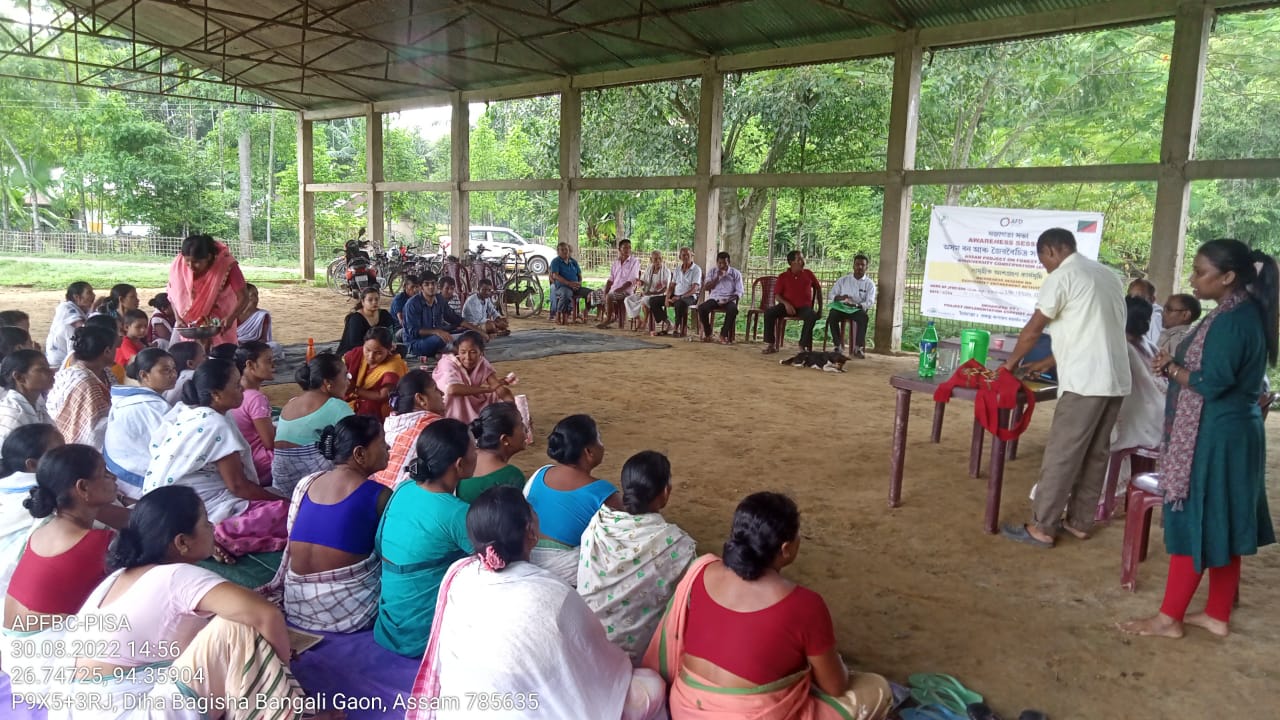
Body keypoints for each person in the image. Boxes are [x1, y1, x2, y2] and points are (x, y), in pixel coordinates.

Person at [51, 485, 337, 720]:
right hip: (127, 710)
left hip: (76, 707)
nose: (213, 526)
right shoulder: (177, 576)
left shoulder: (118, 579)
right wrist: (277, 668)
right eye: (204, 521)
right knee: (237, 627)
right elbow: (266, 616)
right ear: (182, 542)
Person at [1119, 239, 1278, 639]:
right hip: (1231, 430)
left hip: (1214, 434)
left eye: (1201, 271)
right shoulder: (1239, 312)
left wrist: (1172, 368)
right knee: (1224, 522)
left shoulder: (1231, 319)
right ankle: (1216, 615)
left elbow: (1214, 382)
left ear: (1227, 277)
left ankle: (1168, 618)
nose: (1193, 278)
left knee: (1197, 517)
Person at [404, 486, 668, 720]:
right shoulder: (554, 594)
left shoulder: (459, 575)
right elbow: (598, 662)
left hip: (461, 709)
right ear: (530, 531)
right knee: (651, 687)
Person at [645, 492, 891, 720]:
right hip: (750, 714)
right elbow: (835, 686)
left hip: (686, 707)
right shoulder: (805, 605)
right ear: (786, 549)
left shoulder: (702, 570)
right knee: (876, 688)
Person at [1000, 228, 1130, 549]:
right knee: (1096, 452)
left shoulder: (1062, 276)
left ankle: (1043, 526)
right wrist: (1047, 363)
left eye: (1042, 259)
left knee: (1062, 452)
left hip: (1085, 382)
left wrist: (1009, 365)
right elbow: (1092, 329)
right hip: (1115, 379)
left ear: (1051, 251)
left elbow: (1033, 329)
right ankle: (1080, 522)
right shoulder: (1108, 276)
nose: (1044, 266)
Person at [2, 445, 125, 699]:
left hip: (16, 657)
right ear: (82, 488)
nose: (113, 479)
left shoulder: (48, 524)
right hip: (46, 672)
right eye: (104, 473)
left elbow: (131, 518)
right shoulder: (100, 544)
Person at [143, 359, 287, 559]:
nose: (242, 390)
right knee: (288, 514)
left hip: (167, 506)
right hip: (198, 508)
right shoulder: (215, 424)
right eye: (237, 385)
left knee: (273, 494)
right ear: (216, 394)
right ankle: (220, 534)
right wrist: (288, 502)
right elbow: (238, 487)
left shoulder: (188, 412)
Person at [264, 415, 390, 633]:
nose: (388, 446)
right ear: (359, 454)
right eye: (382, 442)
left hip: (297, 604)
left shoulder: (307, 483)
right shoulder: (379, 495)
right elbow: (392, 553)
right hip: (349, 611)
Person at [578, 450, 696, 662]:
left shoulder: (599, 523)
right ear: (666, 492)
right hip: (634, 658)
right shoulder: (680, 546)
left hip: (584, 641)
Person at [374, 418, 476, 657]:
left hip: (389, 628)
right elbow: (494, 563)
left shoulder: (403, 489)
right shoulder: (457, 513)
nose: (477, 453)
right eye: (475, 449)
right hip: (423, 637)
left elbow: (380, 546)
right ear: (459, 465)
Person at [524, 414, 620, 586]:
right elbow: (621, 538)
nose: (602, 445)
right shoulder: (604, 492)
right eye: (599, 439)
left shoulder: (541, 473)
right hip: (567, 575)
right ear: (589, 452)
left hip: (526, 558)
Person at [272, 353, 353, 496]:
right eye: (345, 376)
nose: (348, 382)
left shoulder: (291, 402)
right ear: (328, 383)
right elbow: (359, 441)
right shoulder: (336, 406)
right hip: (310, 484)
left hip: (281, 481)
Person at [104, 349, 177, 499]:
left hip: (120, 475)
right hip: (135, 483)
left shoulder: (134, 399)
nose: (173, 374)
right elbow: (173, 447)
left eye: (174, 369)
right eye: (165, 370)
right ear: (144, 375)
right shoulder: (150, 406)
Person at [0, 424, 63, 592]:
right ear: (32, 465)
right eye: (59, 452)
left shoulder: (5, 487)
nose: (68, 455)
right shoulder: (50, 497)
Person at [166, 232, 250, 346]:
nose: (191, 266)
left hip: (220, 321)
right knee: (193, 356)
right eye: (187, 261)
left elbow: (244, 297)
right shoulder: (179, 266)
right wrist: (179, 319)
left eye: (196, 262)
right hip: (189, 323)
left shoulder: (225, 264)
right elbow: (174, 296)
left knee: (220, 358)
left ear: (209, 257)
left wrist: (230, 318)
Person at [373, 370, 446, 487]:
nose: (442, 393)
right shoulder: (434, 426)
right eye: (435, 389)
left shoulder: (392, 423)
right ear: (421, 399)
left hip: (381, 492)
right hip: (405, 496)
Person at [47, 326, 115, 449]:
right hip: (78, 448)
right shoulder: (86, 383)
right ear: (107, 351)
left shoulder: (105, 372)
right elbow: (92, 432)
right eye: (116, 348)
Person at [432, 330, 516, 424]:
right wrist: (487, 389)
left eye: (473, 352)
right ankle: (458, 424)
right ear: (458, 350)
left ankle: (512, 419)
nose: (467, 357)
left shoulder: (482, 362)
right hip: (450, 406)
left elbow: (497, 387)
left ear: (481, 353)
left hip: (473, 401)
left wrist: (514, 412)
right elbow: (452, 389)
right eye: (463, 352)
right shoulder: (447, 363)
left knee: (501, 394)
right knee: (456, 396)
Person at [457, 401, 527, 503]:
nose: (525, 429)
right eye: (521, 425)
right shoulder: (511, 476)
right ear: (505, 440)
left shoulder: (462, 462)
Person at [229, 341, 277, 486]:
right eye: (268, 361)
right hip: (260, 464)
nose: (273, 365)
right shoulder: (256, 398)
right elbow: (270, 443)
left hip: (244, 461)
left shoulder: (232, 392)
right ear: (250, 365)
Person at [403, 272, 482, 359]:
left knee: (470, 333)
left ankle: (444, 353)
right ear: (421, 287)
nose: (431, 287)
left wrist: (479, 331)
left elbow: (455, 319)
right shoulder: (412, 304)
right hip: (416, 344)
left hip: (438, 337)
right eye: (426, 284)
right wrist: (436, 331)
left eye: (433, 283)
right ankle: (452, 351)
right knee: (439, 339)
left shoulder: (440, 299)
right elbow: (413, 331)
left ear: (437, 285)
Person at [763, 250, 822, 354]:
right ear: (791, 262)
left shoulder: (808, 274)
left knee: (811, 316)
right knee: (769, 313)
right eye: (799, 259)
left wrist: (820, 309)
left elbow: (818, 289)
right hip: (786, 306)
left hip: (804, 307)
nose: (803, 261)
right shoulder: (783, 276)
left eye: (802, 259)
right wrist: (786, 304)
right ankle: (771, 344)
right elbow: (777, 295)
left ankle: (802, 346)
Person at [344, 326, 409, 418]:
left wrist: (355, 389)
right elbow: (340, 365)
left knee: (368, 408)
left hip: (379, 404)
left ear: (389, 349)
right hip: (353, 397)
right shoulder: (357, 353)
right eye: (367, 350)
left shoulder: (393, 366)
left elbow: (382, 396)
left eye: (378, 353)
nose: (370, 356)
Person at [0, 349, 54, 449]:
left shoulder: (37, 404)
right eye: (42, 369)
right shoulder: (13, 417)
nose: (52, 372)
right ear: (20, 377)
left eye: (48, 368)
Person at [826, 253, 877, 358]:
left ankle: (858, 347)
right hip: (842, 308)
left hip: (856, 310)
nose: (859, 267)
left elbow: (870, 301)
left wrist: (857, 305)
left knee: (864, 317)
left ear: (866, 267)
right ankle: (837, 345)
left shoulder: (869, 284)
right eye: (857, 264)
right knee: (832, 315)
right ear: (853, 266)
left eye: (862, 265)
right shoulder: (844, 280)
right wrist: (840, 297)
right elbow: (831, 294)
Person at [651, 246, 702, 338]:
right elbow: (672, 285)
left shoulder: (696, 269)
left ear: (692, 255)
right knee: (653, 301)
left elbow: (694, 289)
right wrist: (667, 297)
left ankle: (677, 329)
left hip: (690, 297)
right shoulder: (678, 269)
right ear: (680, 257)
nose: (686, 257)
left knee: (680, 303)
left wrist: (680, 297)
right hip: (675, 295)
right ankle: (668, 323)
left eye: (688, 255)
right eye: (683, 255)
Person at [697, 251, 744, 343]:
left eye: (724, 264)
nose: (722, 266)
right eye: (720, 263)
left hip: (729, 299)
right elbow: (706, 287)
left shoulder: (736, 273)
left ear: (729, 263)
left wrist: (727, 300)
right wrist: (717, 278)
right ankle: (708, 333)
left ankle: (723, 334)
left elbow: (739, 292)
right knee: (702, 308)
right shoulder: (713, 272)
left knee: (733, 310)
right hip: (714, 299)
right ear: (717, 262)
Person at [45, 281, 94, 368]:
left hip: (65, 359)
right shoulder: (65, 307)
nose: (93, 295)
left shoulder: (81, 311)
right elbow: (84, 328)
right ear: (77, 297)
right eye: (89, 293)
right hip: (58, 364)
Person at [597, 238, 641, 329]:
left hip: (626, 291)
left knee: (610, 296)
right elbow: (610, 279)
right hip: (614, 289)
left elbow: (631, 280)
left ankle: (608, 319)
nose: (627, 250)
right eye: (625, 248)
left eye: (629, 248)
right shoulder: (616, 263)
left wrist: (616, 290)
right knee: (595, 294)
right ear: (619, 249)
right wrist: (606, 291)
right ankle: (611, 314)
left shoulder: (634, 261)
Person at [338, 286, 395, 356]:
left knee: (401, 349)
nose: (374, 302)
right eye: (370, 300)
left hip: (379, 349)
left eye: (376, 299)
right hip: (357, 350)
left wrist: (391, 343)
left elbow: (390, 333)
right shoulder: (356, 319)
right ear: (363, 302)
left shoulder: (384, 314)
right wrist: (375, 348)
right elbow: (355, 344)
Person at [626, 250, 672, 326]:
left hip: (659, 295)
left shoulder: (666, 271)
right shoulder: (649, 269)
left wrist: (650, 293)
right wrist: (640, 282)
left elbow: (665, 289)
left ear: (662, 259)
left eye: (660, 258)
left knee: (645, 300)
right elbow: (643, 281)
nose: (658, 261)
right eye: (655, 259)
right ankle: (639, 319)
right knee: (627, 299)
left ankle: (645, 321)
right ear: (651, 260)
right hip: (646, 293)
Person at [550, 242, 591, 325]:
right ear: (558, 251)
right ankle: (560, 316)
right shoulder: (555, 261)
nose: (565, 251)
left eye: (566, 249)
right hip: (562, 287)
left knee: (592, 293)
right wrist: (569, 283)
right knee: (566, 294)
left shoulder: (573, 262)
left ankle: (585, 312)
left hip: (575, 287)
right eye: (562, 250)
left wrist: (578, 283)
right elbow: (555, 275)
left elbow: (579, 275)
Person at [163, 341, 205, 405]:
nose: (207, 359)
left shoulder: (176, 377)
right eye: (203, 356)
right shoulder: (192, 375)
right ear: (190, 363)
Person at [1129, 278, 1164, 348]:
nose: (1135, 302)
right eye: (1131, 297)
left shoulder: (1156, 318)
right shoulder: (1132, 314)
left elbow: (1157, 348)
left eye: (1139, 297)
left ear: (1152, 299)